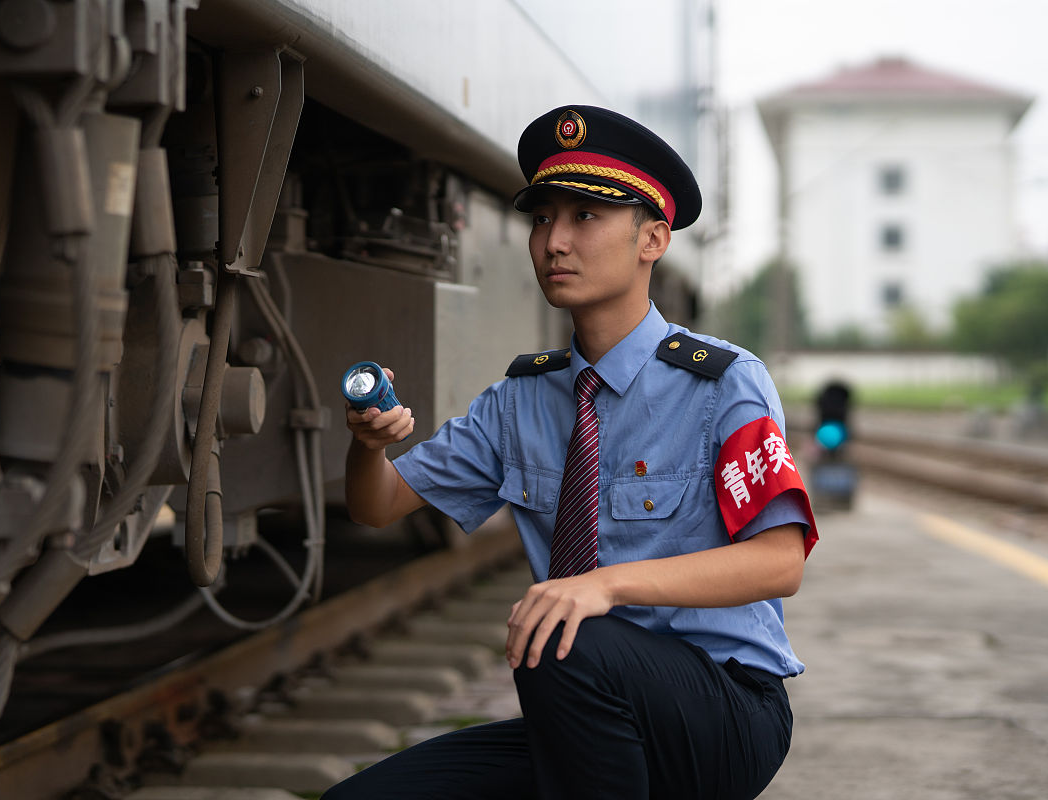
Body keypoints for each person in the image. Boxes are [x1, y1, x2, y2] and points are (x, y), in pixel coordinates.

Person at [326, 105, 818, 800]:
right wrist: (365, 445)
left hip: (721, 712)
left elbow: (781, 560)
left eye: (585, 217)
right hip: (588, 712)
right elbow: (376, 506)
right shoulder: (522, 399)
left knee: (565, 629)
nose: (554, 241)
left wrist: (604, 586)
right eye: (542, 218)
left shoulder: (724, 383)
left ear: (652, 239)